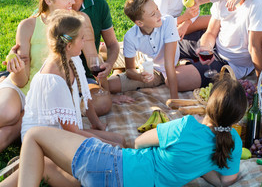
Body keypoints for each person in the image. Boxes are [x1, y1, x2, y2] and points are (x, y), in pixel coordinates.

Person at [15, 76, 247, 186]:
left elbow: (138, 143)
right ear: (237, 117)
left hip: (110, 167)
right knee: (44, 166)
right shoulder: (233, 143)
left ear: (209, 104)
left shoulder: (185, 126)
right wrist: (199, 165)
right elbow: (224, 181)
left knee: (36, 134)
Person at [0, 10, 125, 187]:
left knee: (120, 141)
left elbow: (85, 96)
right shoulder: (53, 80)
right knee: (113, 152)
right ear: (68, 44)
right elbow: (71, 132)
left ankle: (28, 167)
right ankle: (32, 164)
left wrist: (97, 124)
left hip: (65, 133)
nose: (85, 42)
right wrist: (108, 147)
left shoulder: (73, 60)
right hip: (48, 142)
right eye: (82, 38)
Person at [0, 0, 98, 153]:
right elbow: (20, 81)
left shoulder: (74, 24)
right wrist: (16, 65)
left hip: (42, 97)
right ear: (48, 0)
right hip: (20, 87)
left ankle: (23, 118)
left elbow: (87, 60)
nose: (72, 1)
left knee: (6, 136)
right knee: (7, 114)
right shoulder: (28, 26)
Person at [57, 0, 132, 113]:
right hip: (57, 77)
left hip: (86, 76)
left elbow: (112, 44)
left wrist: (109, 65)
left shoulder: (99, 5)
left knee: (101, 103)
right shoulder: (52, 10)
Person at [108, 0, 181, 99]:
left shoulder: (168, 21)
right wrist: (140, 77)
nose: (159, 14)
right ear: (140, 23)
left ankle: (116, 64)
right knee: (110, 85)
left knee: (182, 82)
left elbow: (169, 64)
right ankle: (114, 62)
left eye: (157, 9)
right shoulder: (130, 37)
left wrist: (174, 99)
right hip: (148, 64)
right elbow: (130, 70)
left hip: (162, 68)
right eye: (153, 14)